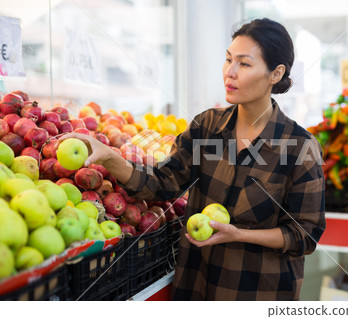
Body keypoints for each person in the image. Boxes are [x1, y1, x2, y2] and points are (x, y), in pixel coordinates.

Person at [57, 18, 325, 301]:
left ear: (275, 73)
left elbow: (304, 235)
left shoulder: (299, 147)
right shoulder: (206, 126)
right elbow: (162, 182)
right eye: (228, 60)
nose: (229, 72)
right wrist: (109, 157)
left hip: (256, 292)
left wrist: (239, 234)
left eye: (244, 64)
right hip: (197, 286)